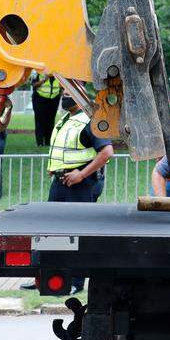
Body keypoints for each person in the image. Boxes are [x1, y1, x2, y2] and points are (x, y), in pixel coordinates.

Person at [22, 95, 115, 295]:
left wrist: (81, 174)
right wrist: (56, 168)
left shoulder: (91, 119)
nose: (64, 94)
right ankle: (42, 279)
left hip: (81, 185)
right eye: (63, 90)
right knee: (49, 232)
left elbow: (106, 152)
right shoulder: (66, 118)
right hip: (61, 182)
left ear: (81, 92)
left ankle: (76, 282)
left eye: (68, 90)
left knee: (77, 235)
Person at [30, 72, 63, 147]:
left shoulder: (59, 73)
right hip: (39, 99)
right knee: (40, 121)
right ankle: (40, 143)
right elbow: (33, 85)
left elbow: (61, 87)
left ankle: (48, 142)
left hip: (54, 99)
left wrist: (61, 94)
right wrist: (43, 80)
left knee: (51, 122)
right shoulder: (38, 72)